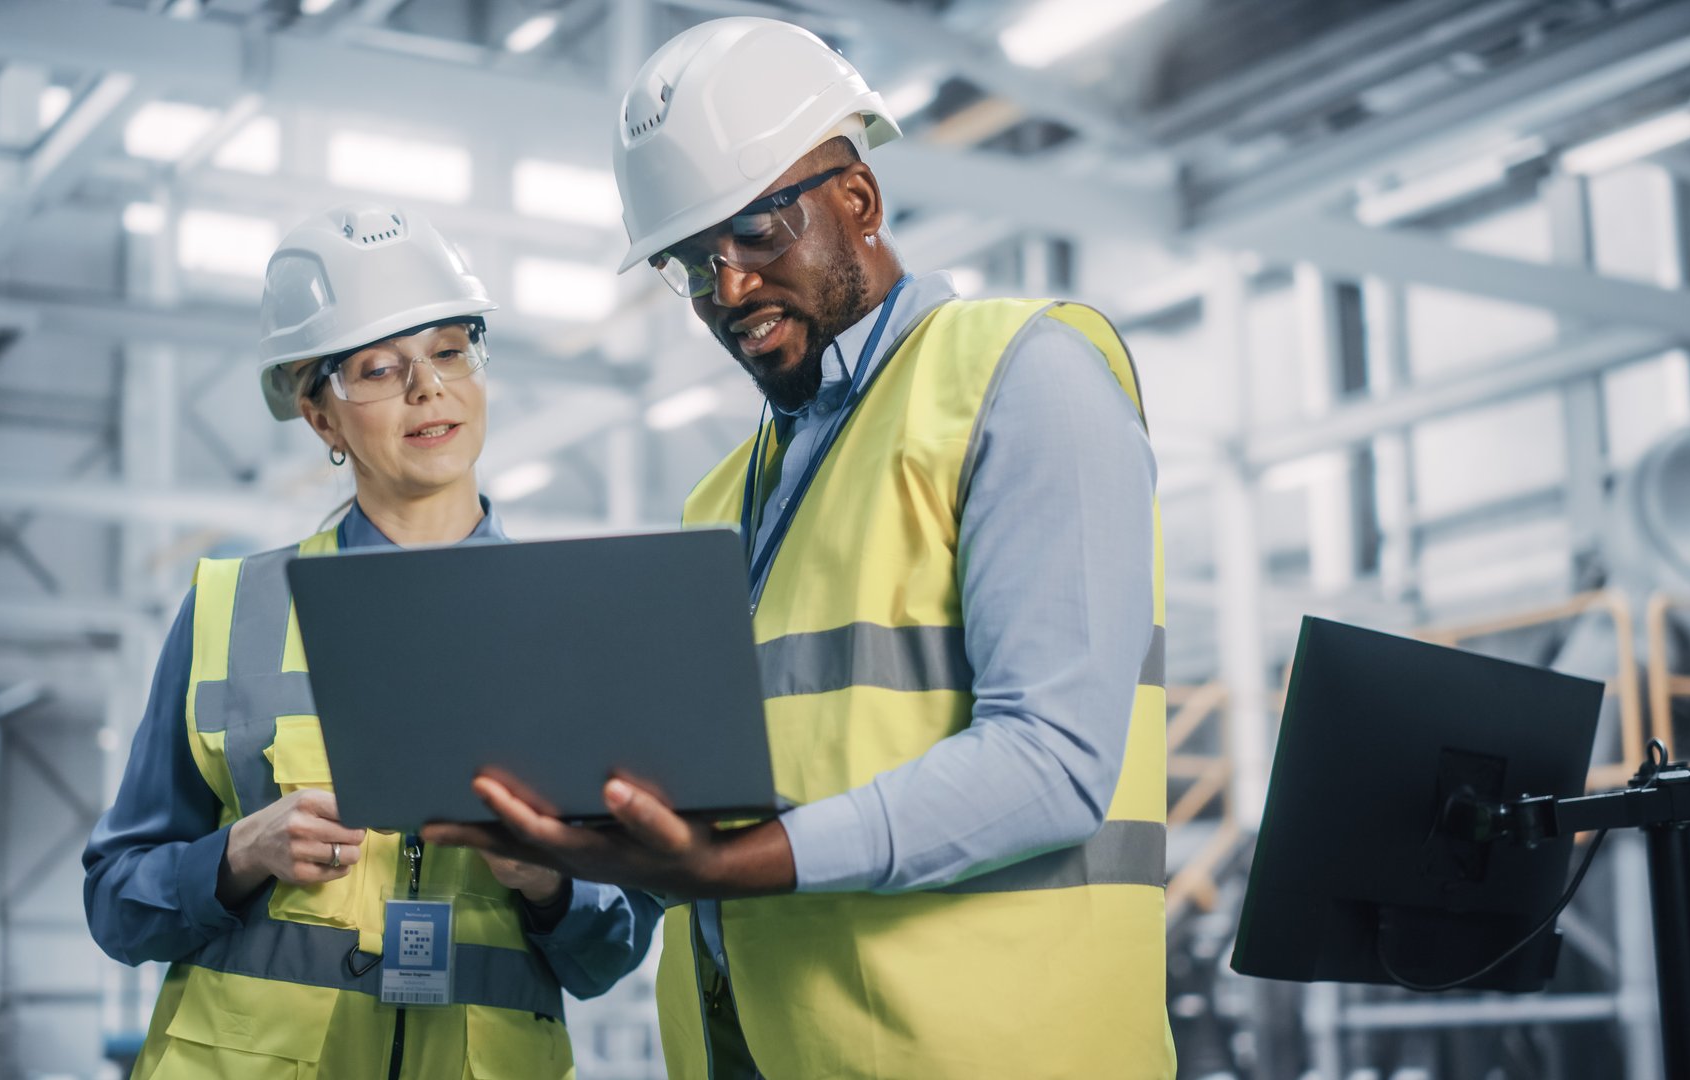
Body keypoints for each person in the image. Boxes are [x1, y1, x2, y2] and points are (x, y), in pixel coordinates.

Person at [423, 17, 1173, 1080]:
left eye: (757, 235)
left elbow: (1053, 763)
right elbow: (710, 812)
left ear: (857, 200)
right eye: (691, 263)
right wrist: (562, 859)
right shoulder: (724, 499)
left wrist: (739, 864)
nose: (725, 290)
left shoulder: (1020, 380)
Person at [83, 204, 661, 1079]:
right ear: (320, 418)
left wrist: (547, 880)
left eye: (451, 351)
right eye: (379, 369)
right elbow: (116, 902)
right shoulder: (229, 610)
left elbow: (612, 947)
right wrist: (238, 855)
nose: (428, 389)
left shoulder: (575, 624)